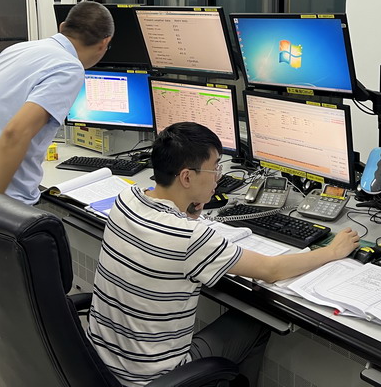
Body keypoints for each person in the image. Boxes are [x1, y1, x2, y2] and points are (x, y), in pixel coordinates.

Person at [88, 121, 360, 386]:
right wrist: (333, 251)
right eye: (214, 169)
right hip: (153, 380)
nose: (218, 177)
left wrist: (191, 206)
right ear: (186, 177)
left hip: (100, 363)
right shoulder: (187, 237)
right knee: (256, 319)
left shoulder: (127, 198)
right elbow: (271, 271)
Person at [0, 0, 113, 387]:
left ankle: (2, 376)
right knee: (24, 309)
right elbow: (16, 133)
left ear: (64, 26)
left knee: (1, 304)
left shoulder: (21, 49)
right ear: (104, 44)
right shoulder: (69, 68)